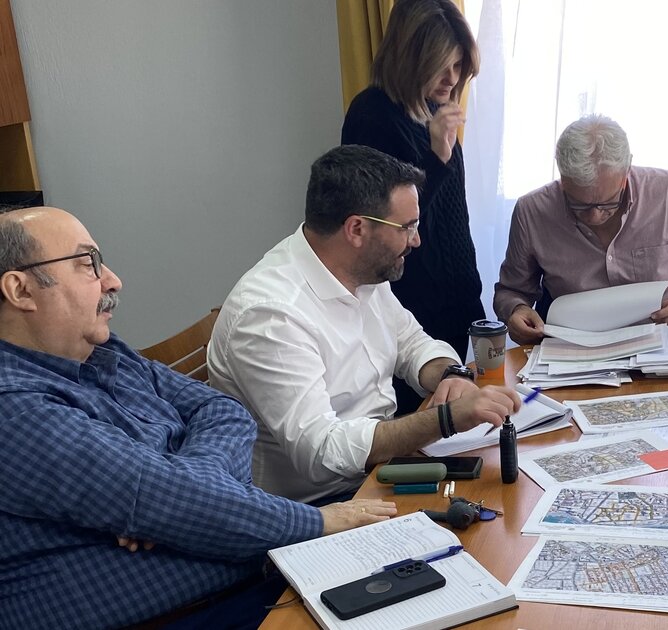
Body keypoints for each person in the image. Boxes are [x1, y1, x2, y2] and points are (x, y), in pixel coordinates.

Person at [0, 207, 396, 629]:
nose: (112, 280)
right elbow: (167, 497)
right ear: (20, 290)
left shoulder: (102, 350)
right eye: (87, 264)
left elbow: (224, 411)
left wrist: (188, 492)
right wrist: (319, 521)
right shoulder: (14, 409)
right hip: (182, 616)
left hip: (253, 577)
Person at [208, 145, 521, 505]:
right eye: (408, 227)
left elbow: (411, 342)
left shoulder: (360, 269)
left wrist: (450, 374)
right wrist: (445, 419)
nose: (416, 240)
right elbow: (322, 453)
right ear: (356, 229)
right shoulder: (271, 315)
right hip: (318, 507)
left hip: (377, 473)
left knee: (508, 493)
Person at [341, 0, 483, 417]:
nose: (452, 79)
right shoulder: (372, 115)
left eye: (458, 66)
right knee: (420, 426)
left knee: (465, 417)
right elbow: (385, 219)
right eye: (442, 66)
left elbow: (452, 216)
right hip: (410, 302)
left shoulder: (435, 109)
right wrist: (436, 155)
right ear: (411, 57)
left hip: (456, 296)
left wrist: (469, 288)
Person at [494, 114, 668, 345]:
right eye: (579, 204)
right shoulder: (532, 211)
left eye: (607, 203)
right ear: (562, 178)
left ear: (626, 172)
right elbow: (511, 290)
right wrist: (516, 309)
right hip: (577, 352)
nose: (594, 216)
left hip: (666, 346)